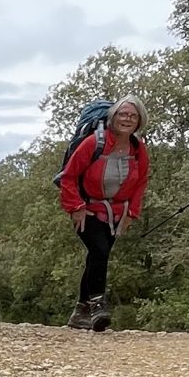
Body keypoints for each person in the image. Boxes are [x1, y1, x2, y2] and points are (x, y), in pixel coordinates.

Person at [54, 95, 149, 332]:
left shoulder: (138, 150)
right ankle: (97, 305)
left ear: (139, 121)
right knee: (99, 251)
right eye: (122, 114)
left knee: (97, 257)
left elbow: (141, 183)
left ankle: (80, 311)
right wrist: (75, 208)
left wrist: (131, 214)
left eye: (132, 116)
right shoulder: (93, 144)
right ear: (112, 117)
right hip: (87, 208)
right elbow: (69, 176)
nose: (127, 119)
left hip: (117, 213)